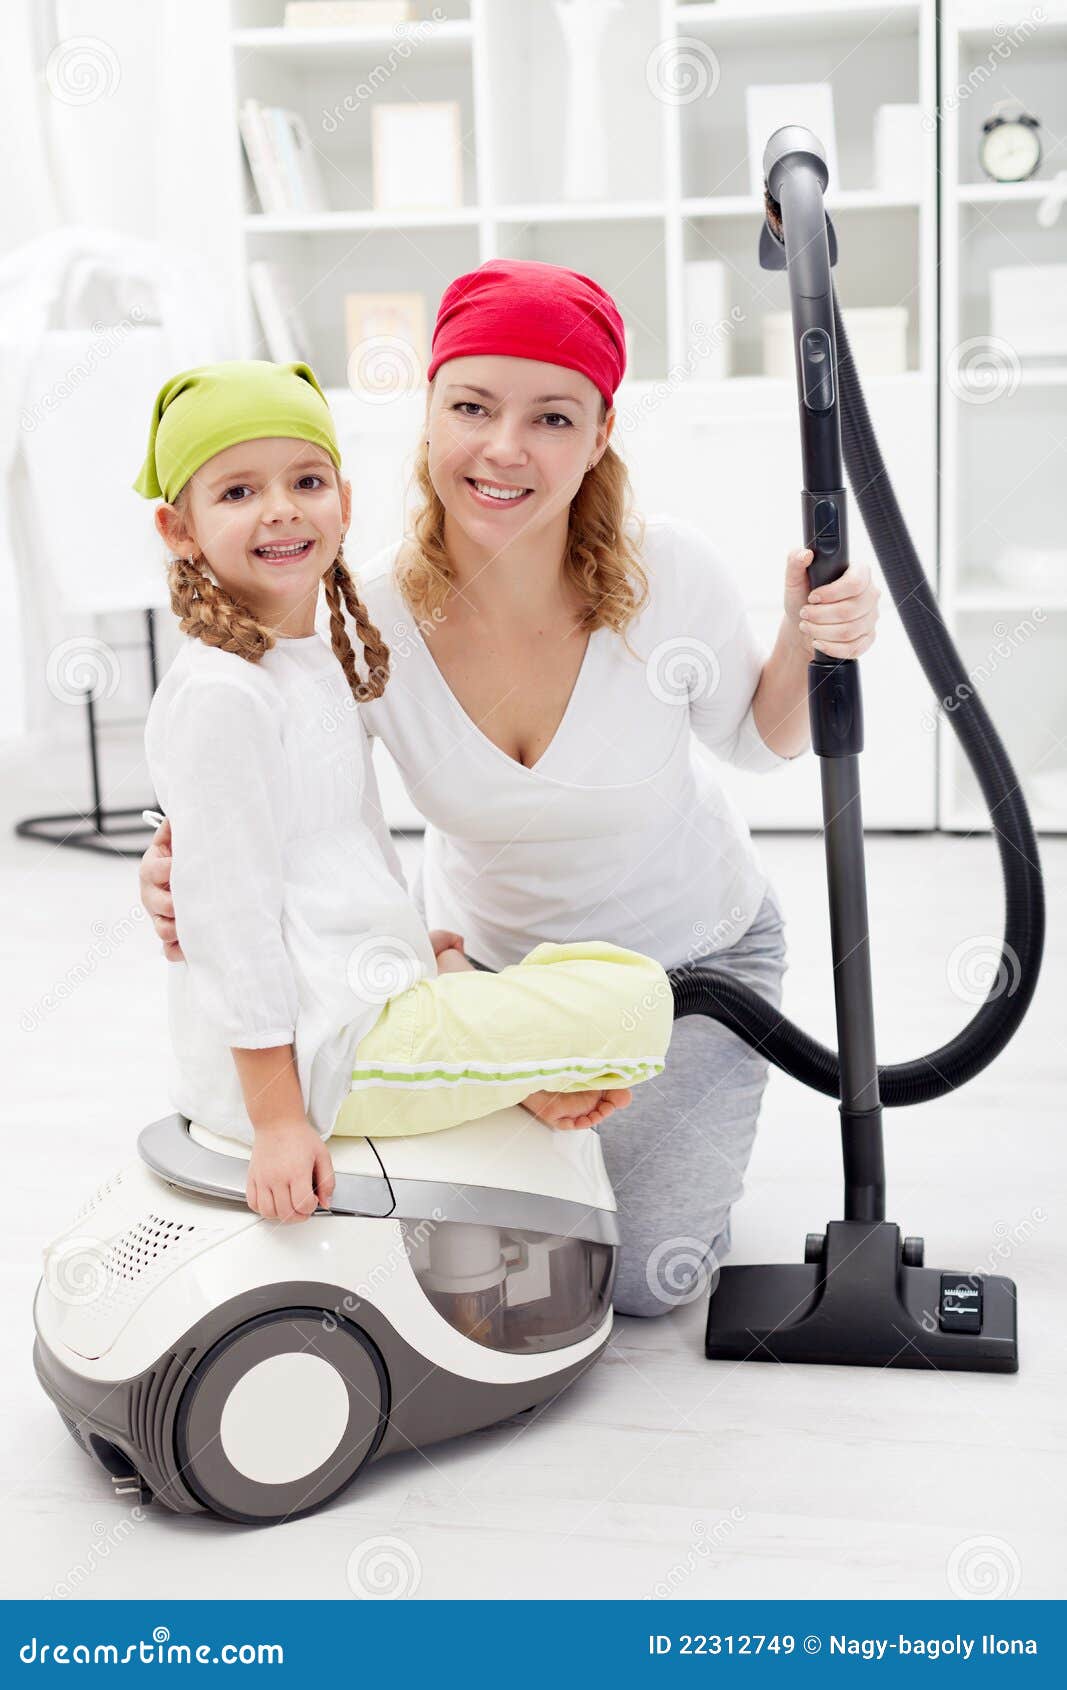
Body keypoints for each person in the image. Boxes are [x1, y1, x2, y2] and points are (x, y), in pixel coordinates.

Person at [140, 263, 880, 1313]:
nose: (503, 448)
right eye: (472, 407)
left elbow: (757, 745)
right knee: (490, 1266)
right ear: (429, 413)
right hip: (490, 973)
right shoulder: (367, 610)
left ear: (600, 432)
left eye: (550, 417)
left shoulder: (666, 570)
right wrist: (173, 855)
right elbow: (281, 776)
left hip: (696, 962)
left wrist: (813, 640)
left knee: (634, 1279)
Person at [133, 359, 674, 1225]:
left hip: (368, 1000)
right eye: (236, 493)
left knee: (605, 970)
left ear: (343, 504)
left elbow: (336, 851)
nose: (279, 508)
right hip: (323, 1058)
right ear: (179, 528)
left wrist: (416, 951)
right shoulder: (222, 695)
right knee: (639, 998)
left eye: (304, 481)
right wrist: (278, 1123)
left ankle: (504, 1067)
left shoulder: (311, 657)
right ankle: (510, 1064)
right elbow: (229, 921)